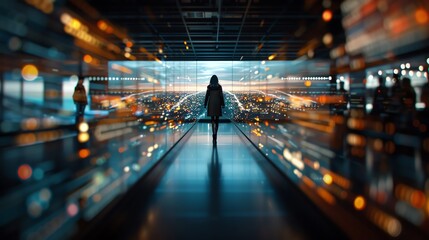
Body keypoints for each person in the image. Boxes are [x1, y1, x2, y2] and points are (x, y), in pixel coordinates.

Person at [204, 75, 225, 145]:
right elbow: (221, 95)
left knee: (212, 119)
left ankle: (213, 133)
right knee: (217, 120)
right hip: (217, 103)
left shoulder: (209, 87)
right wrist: (222, 104)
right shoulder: (219, 87)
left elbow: (207, 96)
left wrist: (205, 104)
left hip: (211, 103)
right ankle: (216, 134)